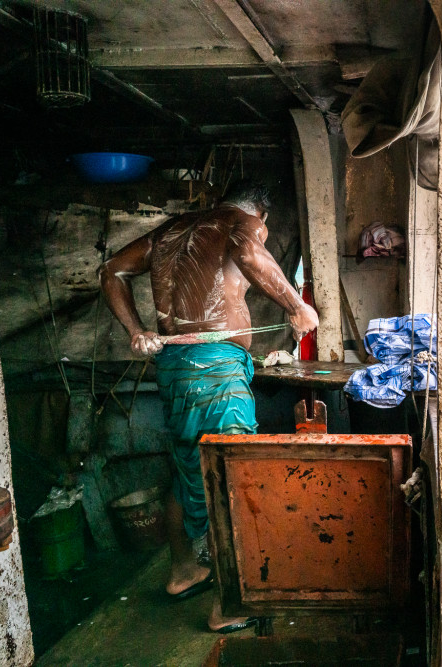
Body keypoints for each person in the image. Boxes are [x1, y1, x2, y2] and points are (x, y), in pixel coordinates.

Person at [100, 180, 319, 632]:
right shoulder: (242, 222)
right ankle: (231, 603)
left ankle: (184, 571)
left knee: (188, 468)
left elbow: (111, 271)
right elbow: (248, 252)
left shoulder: (169, 231)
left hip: (174, 365)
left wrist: (137, 331)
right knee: (231, 472)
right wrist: (295, 306)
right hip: (216, 369)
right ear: (261, 212)